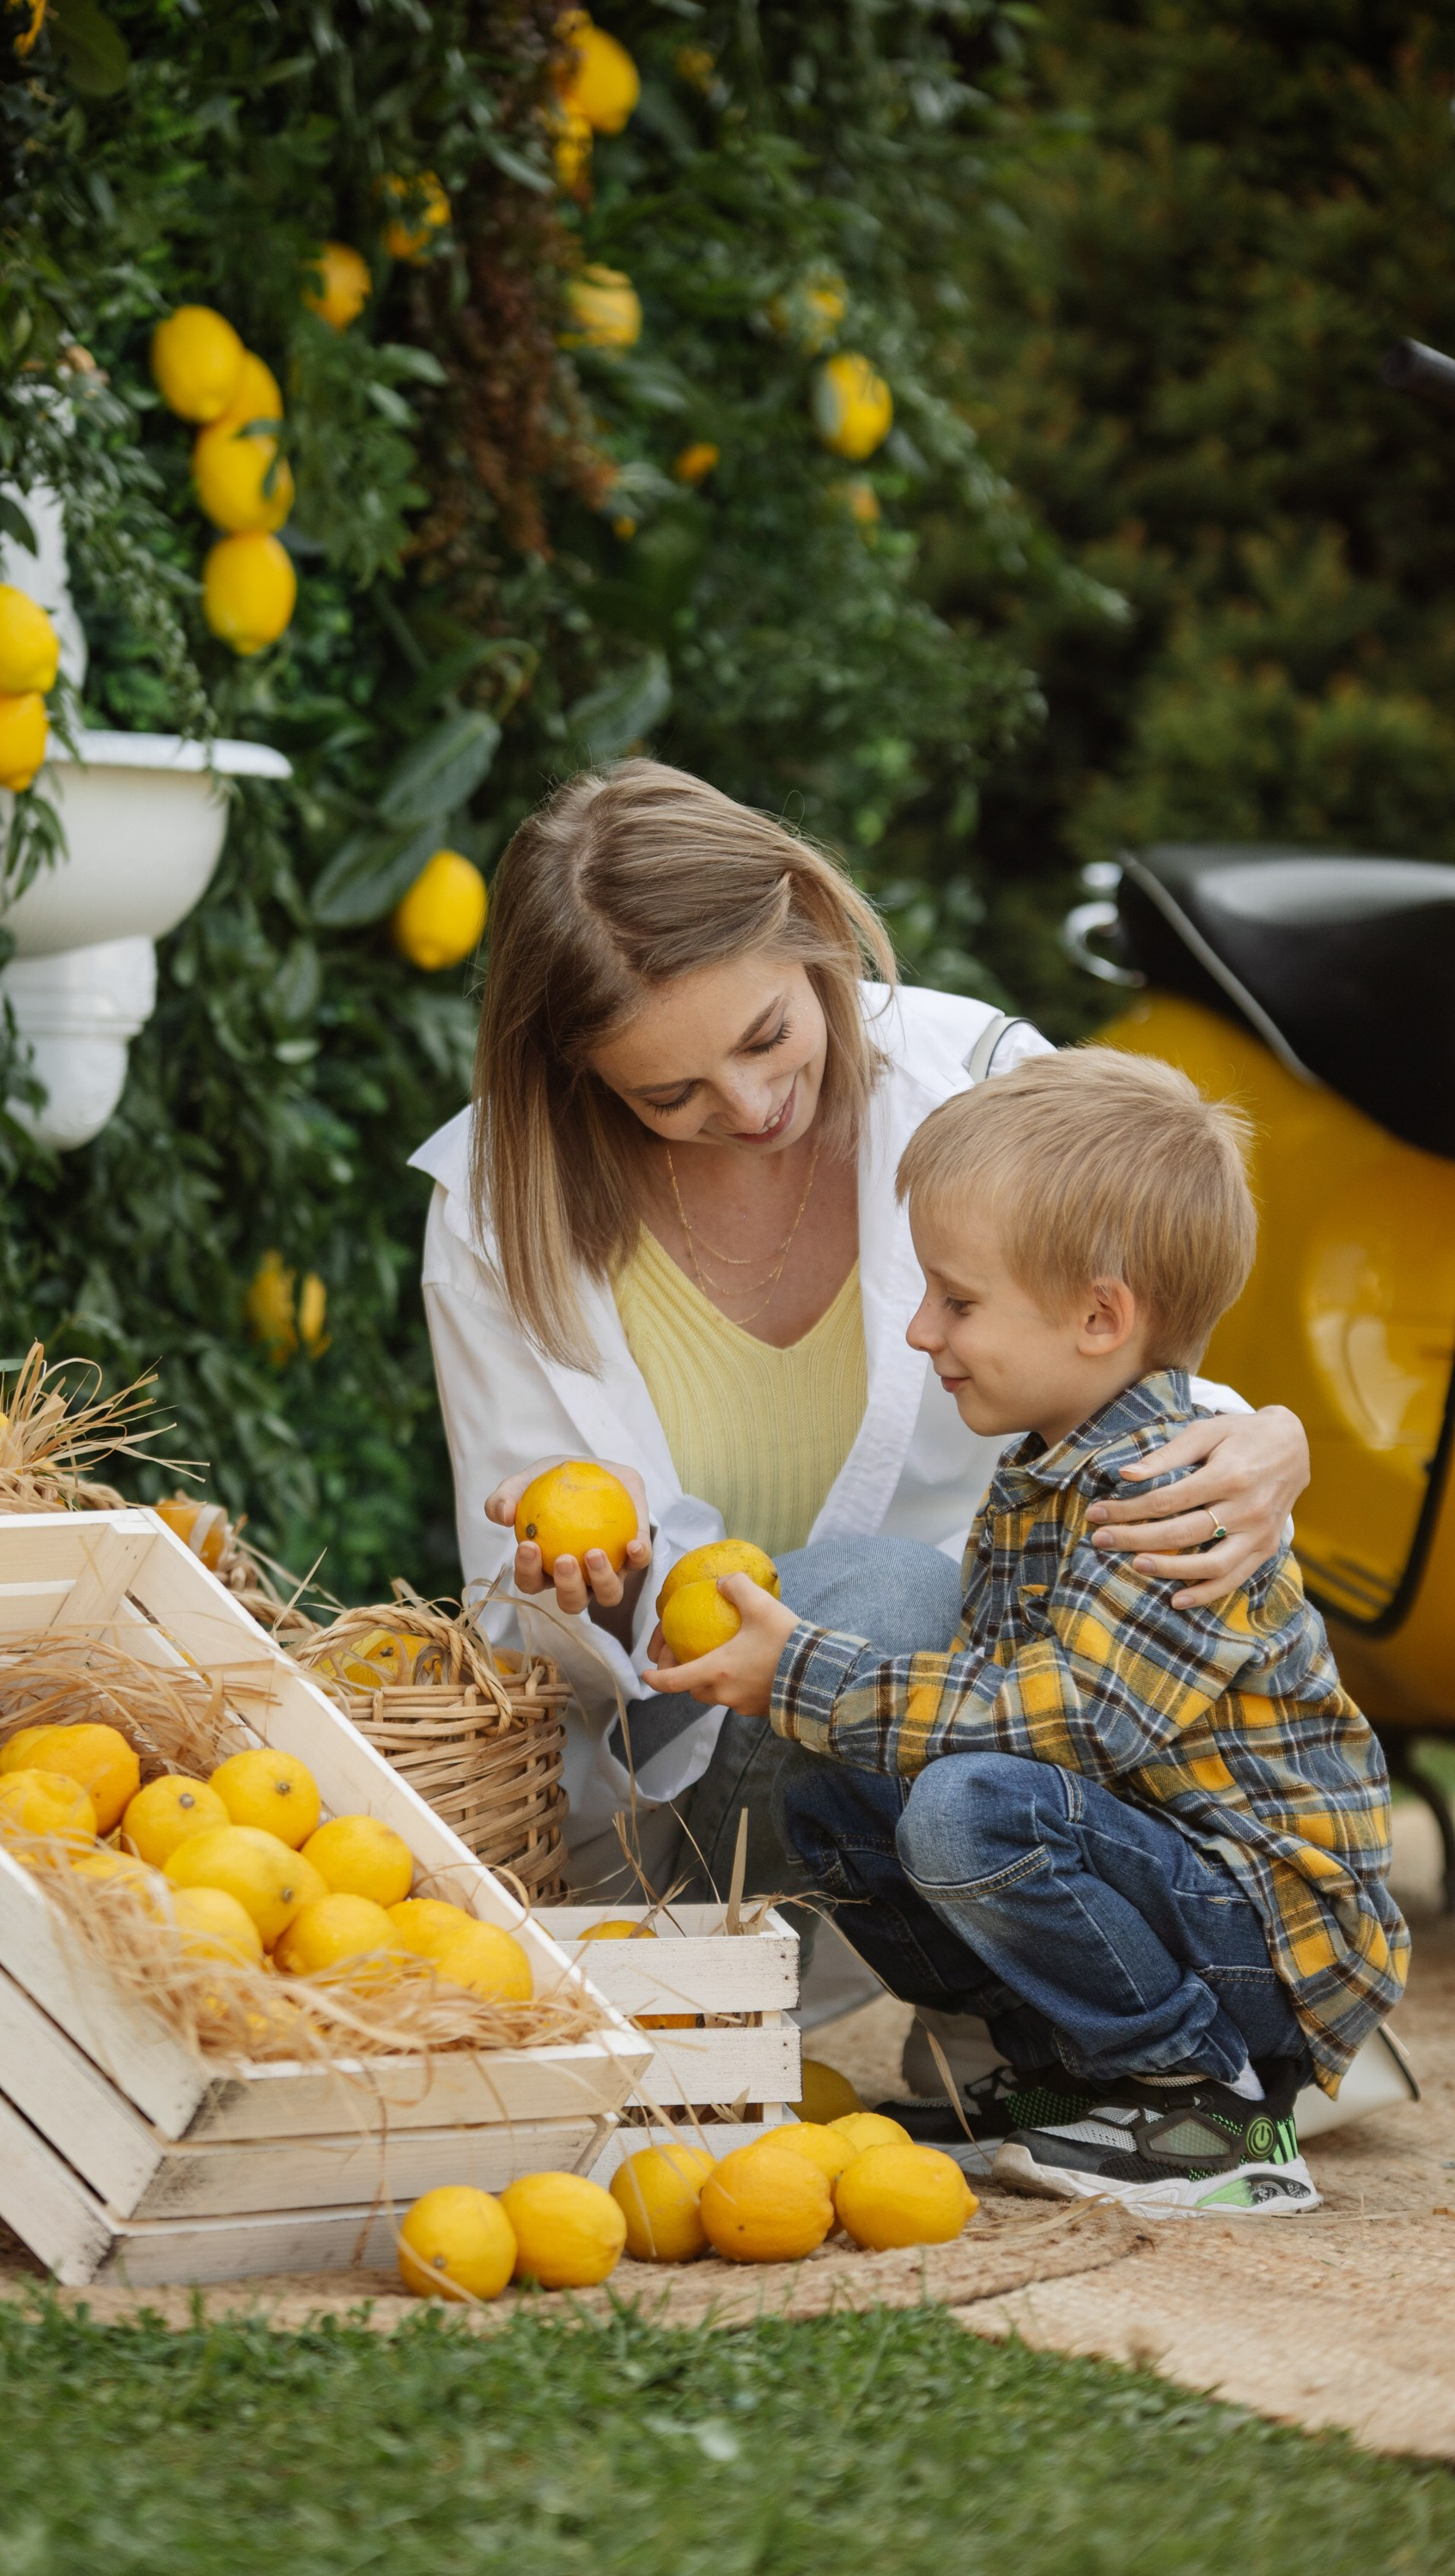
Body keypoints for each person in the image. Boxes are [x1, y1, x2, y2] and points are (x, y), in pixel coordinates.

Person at [409, 760, 1313, 1903]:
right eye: (667, 1096)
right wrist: (596, 1593)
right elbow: (520, 1630)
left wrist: (1256, 1436)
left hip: (984, 1740)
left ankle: (1184, 1983)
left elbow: (1129, 1374)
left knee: (904, 1594)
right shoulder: (496, 1206)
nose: (747, 1109)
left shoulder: (977, 1089)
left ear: (815, 923)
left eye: (764, 1034)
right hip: (697, 1825)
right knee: (861, 1599)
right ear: (581, 1076)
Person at [644, 1048, 1409, 2215]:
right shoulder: (1056, 1468)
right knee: (837, 1799)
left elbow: (1067, 1724)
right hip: (1166, 1890)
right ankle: (1063, 2077)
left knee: (969, 1806)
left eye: (957, 1300)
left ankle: (1206, 2106)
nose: (919, 1331)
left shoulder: (1164, 1499)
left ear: (1101, 1318)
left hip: (1263, 1943)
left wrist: (798, 1670)